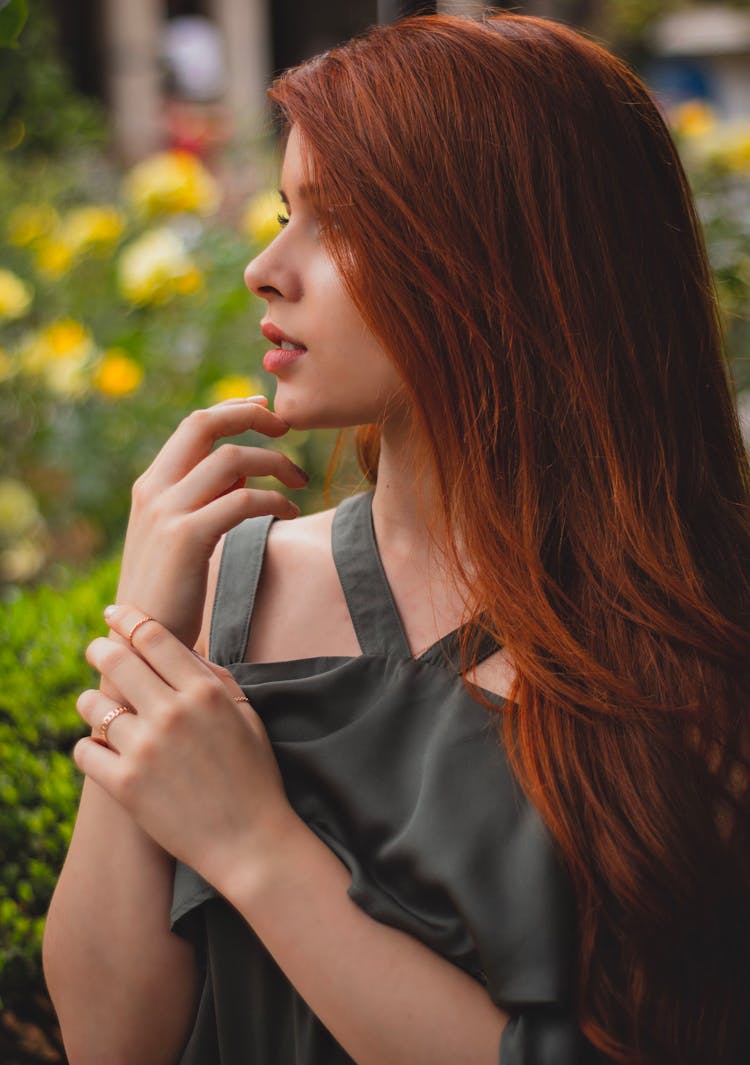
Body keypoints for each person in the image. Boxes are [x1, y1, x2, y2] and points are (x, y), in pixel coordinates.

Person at [43, 13, 750, 1065]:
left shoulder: (691, 642)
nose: (265, 269)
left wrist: (257, 849)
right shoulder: (233, 583)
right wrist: (144, 627)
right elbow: (109, 1042)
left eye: (340, 222)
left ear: (510, 260)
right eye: (287, 212)